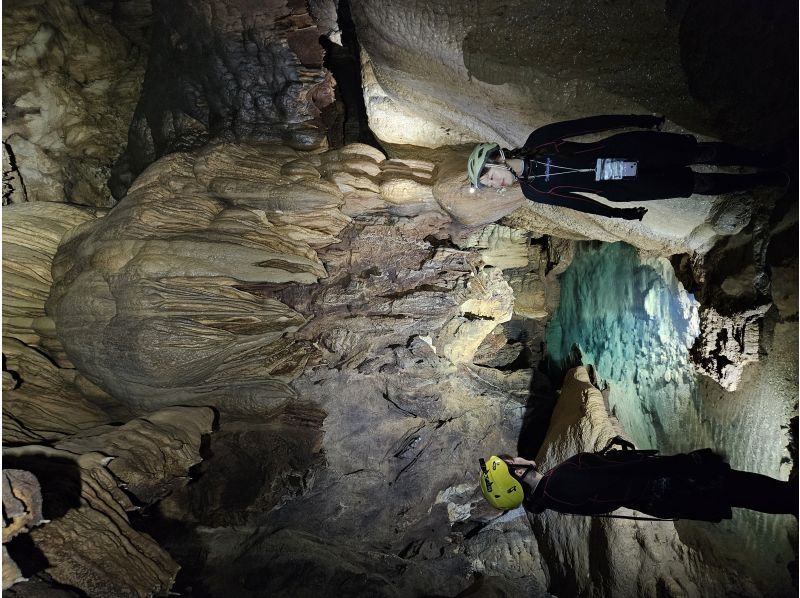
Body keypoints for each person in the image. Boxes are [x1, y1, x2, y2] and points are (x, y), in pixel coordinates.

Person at [467, 115, 788, 221]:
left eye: (490, 177)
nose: (496, 184)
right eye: (490, 185)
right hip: (622, 187)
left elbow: (590, 125)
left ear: (497, 158)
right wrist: (620, 214)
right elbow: (579, 203)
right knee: (695, 185)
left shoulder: (541, 142)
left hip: (628, 150)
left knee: (700, 152)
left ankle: (765, 160)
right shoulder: (533, 191)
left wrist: (639, 121)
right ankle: (767, 179)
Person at [478, 437, 798, 521]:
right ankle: (792, 498)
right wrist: (683, 463)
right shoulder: (560, 484)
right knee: (738, 488)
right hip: (665, 486)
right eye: (511, 462)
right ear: (516, 475)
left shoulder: (550, 492)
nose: (517, 458)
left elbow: (606, 486)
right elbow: (627, 477)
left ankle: (788, 498)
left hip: (657, 494)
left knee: (739, 493)